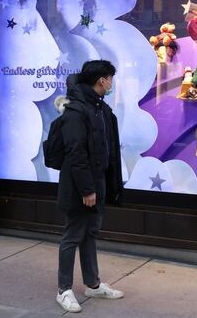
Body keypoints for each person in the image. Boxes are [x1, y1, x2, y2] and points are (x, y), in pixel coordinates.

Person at [56, 60, 125, 313]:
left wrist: (107, 185)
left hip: (98, 184)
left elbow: (106, 149)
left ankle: (93, 284)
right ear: (101, 80)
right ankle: (63, 290)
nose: (111, 83)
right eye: (110, 78)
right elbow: (76, 153)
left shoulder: (100, 108)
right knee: (72, 235)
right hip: (80, 187)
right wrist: (87, 189)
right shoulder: (76, 111)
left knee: (89, 234)